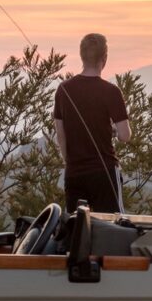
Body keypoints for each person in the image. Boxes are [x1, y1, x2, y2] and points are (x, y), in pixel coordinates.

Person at [53, 33, 132, 214]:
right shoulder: (111, 92)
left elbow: (61, 134)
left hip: (74, 173)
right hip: (104, 172)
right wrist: (113, 129)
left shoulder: (63, 89)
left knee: (76, 226)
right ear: (104, 58)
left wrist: (69, 162)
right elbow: (125, 136)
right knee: (112, 224)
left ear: (81, 56)